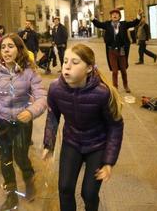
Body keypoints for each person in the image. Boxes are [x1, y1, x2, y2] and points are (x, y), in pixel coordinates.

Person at [42, 44, 124, 211]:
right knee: (65, 188)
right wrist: (48, 144)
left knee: (89, 193)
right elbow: (52, 116)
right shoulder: (55, 88)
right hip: (72, 142)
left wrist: (108, 162)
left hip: (97, 146)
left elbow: (115, 126)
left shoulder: (102, 92)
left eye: (75, 62)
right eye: (65, 61)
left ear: (88, 68)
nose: (67, 66)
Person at [0, 33, 47, 211]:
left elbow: (42, 97)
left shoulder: (29, 71)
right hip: (2, 122)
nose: (6, 50)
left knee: (20, 156)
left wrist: (31, 111)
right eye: (3, 47)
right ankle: (11, 195)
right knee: (5, 159)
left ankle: (29, 177)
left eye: (10, 46)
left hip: (22, 122)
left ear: (19, 49)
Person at [92, 9, 142, 93]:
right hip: (111, 50)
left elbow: (134, 23)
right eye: (113, 14)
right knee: (114, 71)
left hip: (122, 50)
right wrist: (92, 18)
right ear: (111, 17)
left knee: (123, 70)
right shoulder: (107, 24)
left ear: (119, 16)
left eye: (116, 14)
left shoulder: (124, 24)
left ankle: (126, 86)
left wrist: (138, 16)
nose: (114, 15)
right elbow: (98, 24)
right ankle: (115, 87)